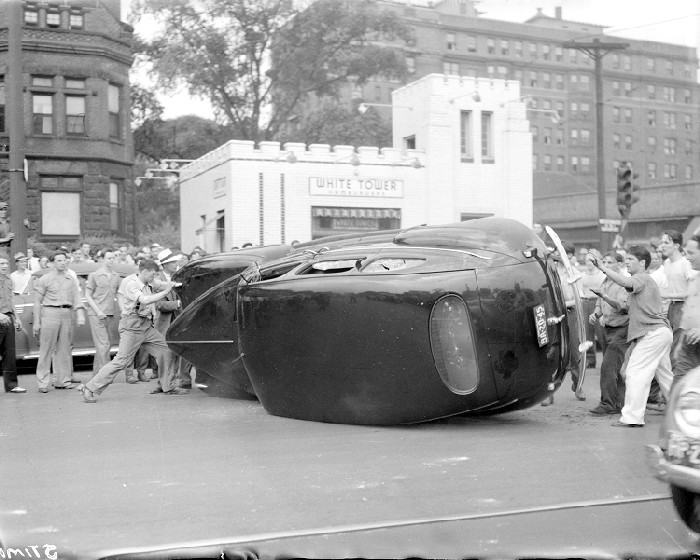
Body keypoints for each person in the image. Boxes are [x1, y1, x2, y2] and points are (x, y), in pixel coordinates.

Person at [79, 259, 185, 403]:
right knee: (121, 361)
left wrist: (178, 285)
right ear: (144, 272)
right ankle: (90, 388)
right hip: (132, 326)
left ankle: (167, 386)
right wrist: (167, 290)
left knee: (166, 350)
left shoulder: (149, 281)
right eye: (152, 275)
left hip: (146, 326)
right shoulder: (132, 284)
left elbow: (162, 284)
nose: (154, 278)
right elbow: (145, 300)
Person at [590, 246, 673, 427]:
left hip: (653, 333)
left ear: (642, 263)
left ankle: (632, 418)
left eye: (630, 259)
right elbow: (624, 307)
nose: (626, 262)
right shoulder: (642, 282)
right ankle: (682, 409)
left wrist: (603, 268)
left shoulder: (641, 278)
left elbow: (625, 283)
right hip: (659, 333)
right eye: (626, 259)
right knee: (665, 375)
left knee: (635, 373)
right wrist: (604, 296)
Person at [33, 251, 86, 392]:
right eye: (59, 260)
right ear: (52, 263)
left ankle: (63, 381)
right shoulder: (45, 279)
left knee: (64, 349)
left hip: (66, 314)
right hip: (50, 313)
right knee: (46, 350)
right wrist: (37, 322)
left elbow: (77, 298)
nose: (62, 263)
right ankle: (42, 383)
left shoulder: (70, 279)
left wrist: (80, 314)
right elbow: (37, 301)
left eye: (64, 260)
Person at [542, 240, 586, 405]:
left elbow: (578, 299)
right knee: (552, 351)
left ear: (570, 256)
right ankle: (549, 391)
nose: (558, 256)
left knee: (574, 352)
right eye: (557, 252)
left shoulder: (574, 273)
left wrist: (561, 304)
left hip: (570, 313)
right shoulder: (549, 271)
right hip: (553, 315)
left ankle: (578, 383)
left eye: (563, 253)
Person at [588, 252, 630, 415]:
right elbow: (600, 303)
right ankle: (619, 402)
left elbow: (622, 306)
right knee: (614, 369)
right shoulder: (605, 280)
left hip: (621, 330)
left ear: (619, 265)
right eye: (603, 261)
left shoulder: (623, 283)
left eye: (608, 262)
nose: (604, 265)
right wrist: (596, 313)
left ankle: (608, 403)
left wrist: (604, 297)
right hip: (608, 329)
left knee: (607, 367)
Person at [155, 248, 192, 389]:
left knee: (180, 352)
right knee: (167, 354)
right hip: (165, 323)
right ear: (164, 265)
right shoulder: (158, 279)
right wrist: (177, 304)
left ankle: (177, 382)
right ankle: (164, 383)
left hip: (178, 321)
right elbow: (159, 304)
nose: (175, 263)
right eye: (172, 262)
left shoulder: (177, 277)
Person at [658, 230, 697, 365]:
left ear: (676, 245)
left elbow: (692, 292)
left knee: (678, 345)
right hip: (671, 308)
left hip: (683, 308)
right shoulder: (667, 263)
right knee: (670, 343)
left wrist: (668, 294)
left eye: (666, 242)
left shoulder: (685, 264)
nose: (662, 246)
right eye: (661, 242)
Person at [84, 250, 124, 378]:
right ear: (102, 259)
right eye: (109, 258)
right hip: (96, 314)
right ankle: (105, 375)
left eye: (113, 258)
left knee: (105, 345)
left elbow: (119, 293)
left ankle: (97, 374)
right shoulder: (94, 275)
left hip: (109, 314)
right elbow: (87, 295)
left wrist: (123, 309)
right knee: (103, 344)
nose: (111, 260)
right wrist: (98, 311)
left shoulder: (115, 276)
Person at [671, 233, 700, 386]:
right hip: (689, 345)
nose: (687, 257)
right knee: (679, 391)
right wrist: (680, 345)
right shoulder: (695, 279)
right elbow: (688, 313)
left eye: (691, 253)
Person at [0, 255, 25, 393]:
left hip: (8, 317)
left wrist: (17, 318)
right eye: (1, 263)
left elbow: (12, 301)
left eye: (6, 263)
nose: (4, 266)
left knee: (9, 353)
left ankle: (11, 385)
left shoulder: (9, 280)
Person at [580, 250, 606, 368]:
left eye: (591, 260)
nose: (589, 263)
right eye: (587, 260)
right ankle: (591, 360)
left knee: (601, 333)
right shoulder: (582, 275)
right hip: (586, 303)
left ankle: (606, 359)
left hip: (598, 303)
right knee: (588, 333)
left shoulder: (602, 275)